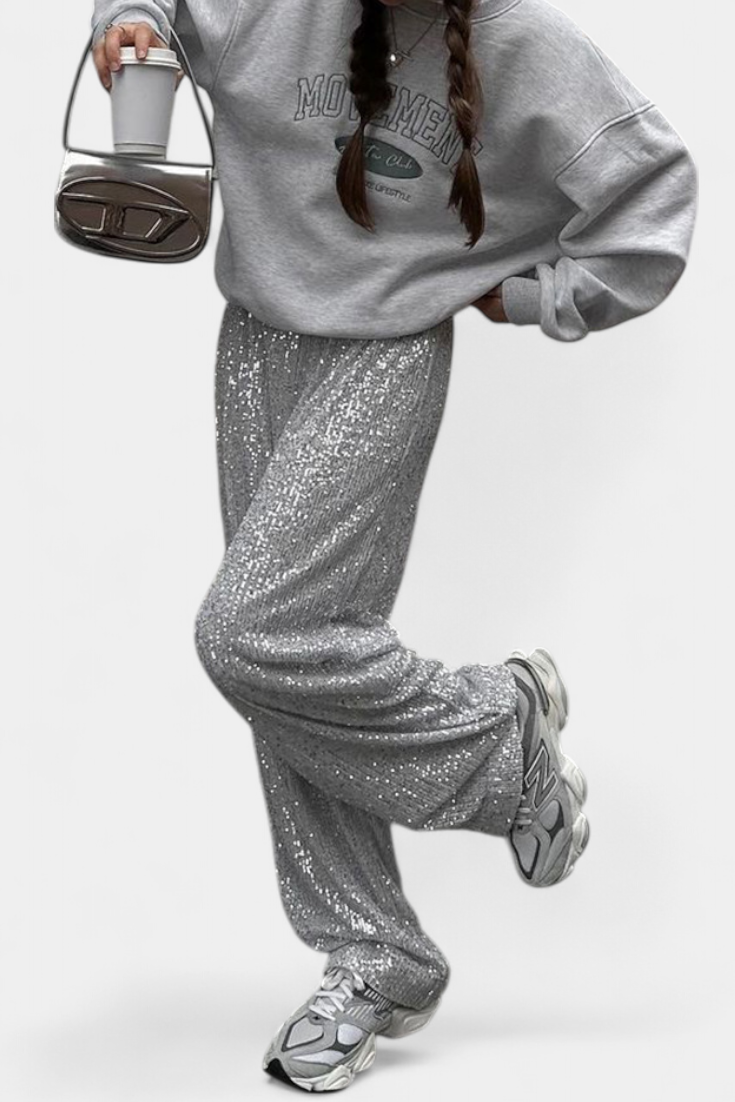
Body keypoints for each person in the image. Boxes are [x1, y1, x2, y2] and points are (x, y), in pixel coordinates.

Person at [91, 0, 697, 1092]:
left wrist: (541, 296)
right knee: (294, 670)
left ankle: (501, 739)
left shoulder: (522, 44)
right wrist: (129, 19)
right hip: (256, 343)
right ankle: (376, 955)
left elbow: (653, 192)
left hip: (387, 352)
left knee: (253, 634)